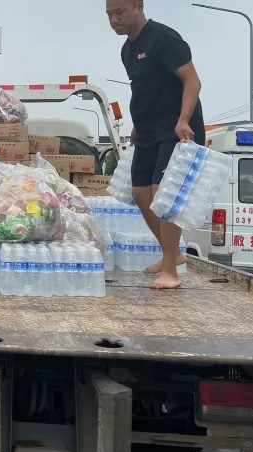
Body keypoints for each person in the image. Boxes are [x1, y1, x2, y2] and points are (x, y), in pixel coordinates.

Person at [108, 0, 205, 289]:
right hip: (148, 131)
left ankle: (171, 273)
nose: (114, 20)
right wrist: (138, 125)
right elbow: (146, 88)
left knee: (162, 194)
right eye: (109, 15)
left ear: (138, 6)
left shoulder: (164, 38)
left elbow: (192, 81)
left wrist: (184, 119)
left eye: (119, 12)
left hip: (176, 128)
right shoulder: (127, 50)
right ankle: (172, 256)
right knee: (140, 193)